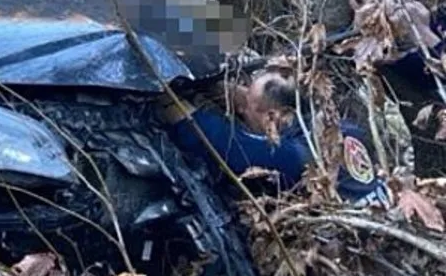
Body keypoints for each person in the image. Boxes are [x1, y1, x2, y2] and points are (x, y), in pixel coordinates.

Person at [159, 67, 392, 207]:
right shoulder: (346, 129)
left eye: (246, 107)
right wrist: (218, 88)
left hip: (362, 260)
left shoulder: (300, 155)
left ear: (275, 116)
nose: (239, 110)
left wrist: (170, 102)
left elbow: (232, 147)